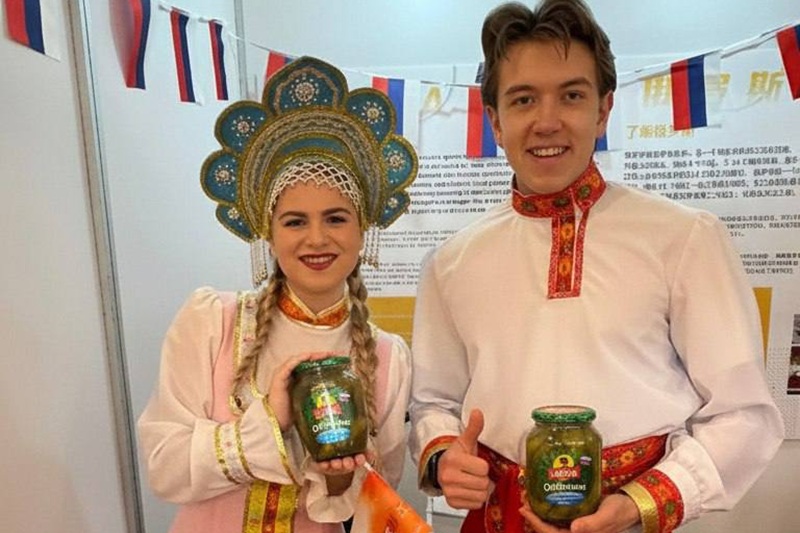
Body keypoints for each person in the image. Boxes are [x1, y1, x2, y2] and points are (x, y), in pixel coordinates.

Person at [408, 1, 784, 533]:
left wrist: (637, 503)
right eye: (523, 99)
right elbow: (434, 403)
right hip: (499, 516)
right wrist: (444, 455)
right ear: (495, 119)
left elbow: (744, 414)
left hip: (633, 517)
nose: (547, 122)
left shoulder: (683, 238)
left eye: (572, 95)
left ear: (603, 110)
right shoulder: (451, 262)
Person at [138, 56, 419, 533]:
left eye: (336, 218)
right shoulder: (213, 321)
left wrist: (338, 480)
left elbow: (374, 502)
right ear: (268, 232)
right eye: (294, 221)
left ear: (363, 229)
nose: (317, 239)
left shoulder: (388, 358)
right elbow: (164, 466)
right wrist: (268, 423)